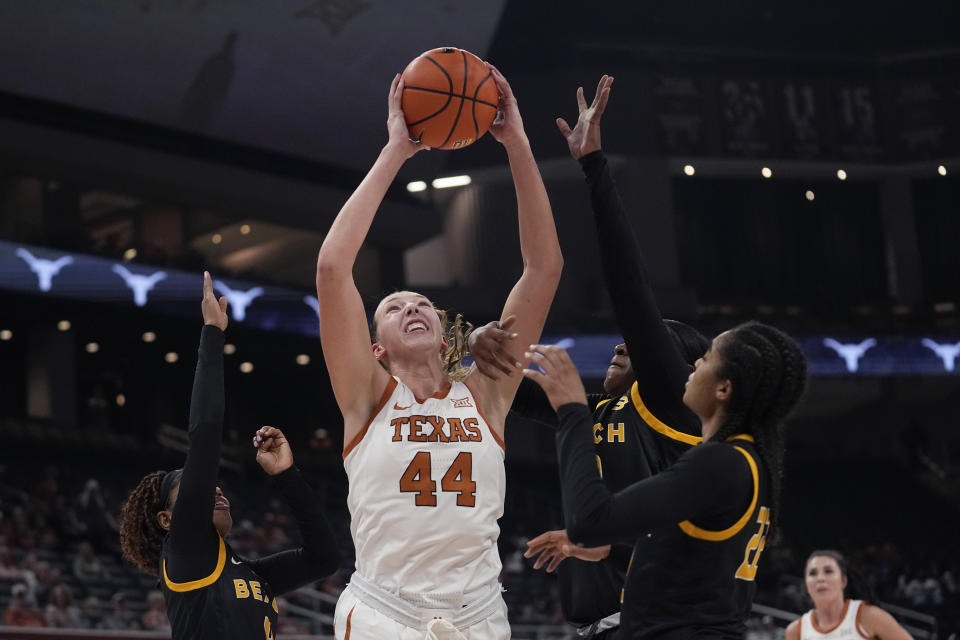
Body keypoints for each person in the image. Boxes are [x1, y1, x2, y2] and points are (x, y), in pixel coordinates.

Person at [315, 68, 563, 640]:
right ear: (374, 347)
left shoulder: (488, 391)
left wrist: (517, 144)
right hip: (386, 608)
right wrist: (397, 150)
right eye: (395, 307)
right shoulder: (366, 396)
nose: (412, 308)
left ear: (446, 333)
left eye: (421, 302)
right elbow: (332, 268)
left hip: (478, 611)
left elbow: (543, 267)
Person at [468, 75, 709, 638]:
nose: (624, 343)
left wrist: (594, 166)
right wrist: (475, 341)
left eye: (654, 341)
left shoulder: (674, 410)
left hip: (657, 623)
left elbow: (631, 289)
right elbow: (502, 384)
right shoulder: (597, 412)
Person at [523, 319, 808, 639]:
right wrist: (470, 343)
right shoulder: (604, 409)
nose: (619, 348)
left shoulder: (666, 411)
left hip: (652, 620)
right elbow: (518, 394)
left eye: (638, 350)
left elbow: (636, 307)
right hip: (611, 624)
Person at [119, 272, 340, 640]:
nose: (216, 490)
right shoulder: (184, 553)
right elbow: (204, 442)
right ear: (167, 519)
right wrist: (212, 333)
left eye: (215, 487)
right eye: (192, 489)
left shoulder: (251, 574)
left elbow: (324, 558)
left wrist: (286, 474)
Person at [785, 550, 913, 640]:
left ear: (843, 581)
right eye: (813, 573)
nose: (820, 578)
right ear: (806, 585)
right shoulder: (796, 631)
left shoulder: (868, 616)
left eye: (828, 571)